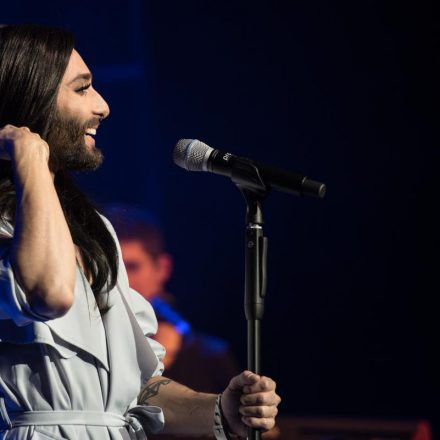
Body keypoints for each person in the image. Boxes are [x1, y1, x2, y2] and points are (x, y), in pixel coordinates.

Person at [0, 24, 280, 440]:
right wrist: (30, 159)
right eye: (82, 89)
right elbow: (50, 293)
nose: (103, 106)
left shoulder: (96, 232)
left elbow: (138, 388)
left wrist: (220, 410)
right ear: (31, 99)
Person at [106, 204, 240, 394]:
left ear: (162, 268)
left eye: (132, 266)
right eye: (114, 267)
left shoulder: (210, 355)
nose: (122, 279)